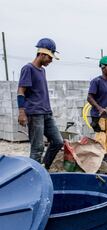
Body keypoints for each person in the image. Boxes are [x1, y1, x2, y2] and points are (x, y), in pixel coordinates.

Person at [17, 38, 63, 169]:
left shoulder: (42, 70)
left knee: (58, 141)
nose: (51, 60)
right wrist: (21, 112)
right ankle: (33, 176)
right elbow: (21, 91)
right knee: (37, 147)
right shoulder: (28, 69)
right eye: (50, 57)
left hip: (46, 113)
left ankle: (43, 169)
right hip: (35, 113)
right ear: (42, 54)